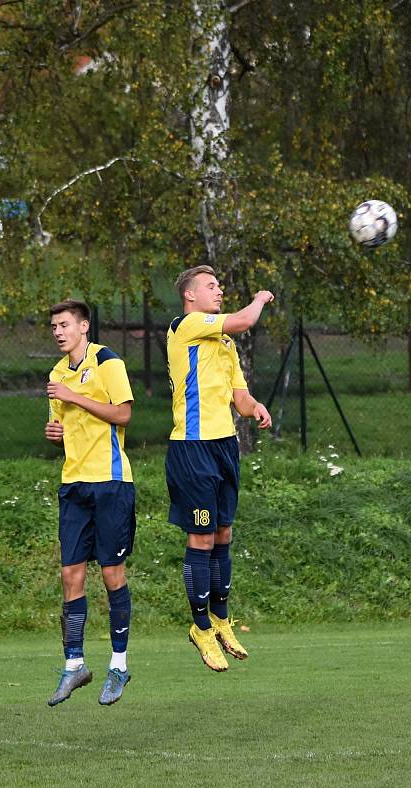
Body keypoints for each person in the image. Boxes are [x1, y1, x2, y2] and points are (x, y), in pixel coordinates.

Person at [165, 265, 274, 672]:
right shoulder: (187, 325)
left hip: (225, 447)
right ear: (190, 296)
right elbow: (246, 319)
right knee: (202, 539)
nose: (218, 291)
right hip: (192, 449)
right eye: (210, 286)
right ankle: (200, 627)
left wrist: (255, 408)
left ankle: (221, 619)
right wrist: (260, 299)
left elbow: (239, 398)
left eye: (219, 286)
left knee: (223, 533)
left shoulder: (223, 342)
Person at [44, 298, 136, 706]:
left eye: (65, 325)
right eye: (54, 327)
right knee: (70, 575)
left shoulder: (108, 362)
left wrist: (74, 396)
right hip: (74, 485)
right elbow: (66, 425)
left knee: (112, 574)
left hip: (111, 483)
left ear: (84, 326)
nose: (58, 332)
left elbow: (123, 414)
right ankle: (74, 664)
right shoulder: (57, 375)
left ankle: (119, 664)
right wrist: (56, 432)